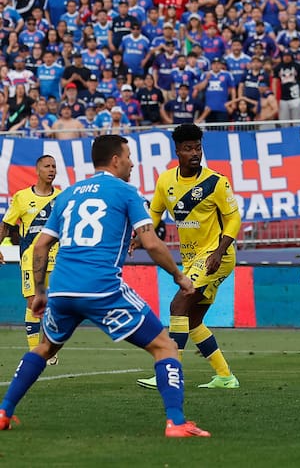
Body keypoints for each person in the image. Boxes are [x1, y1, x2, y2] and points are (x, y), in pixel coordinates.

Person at [0, 135, 210, 438]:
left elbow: (42, 245)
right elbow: (150, 242)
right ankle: (176, 423)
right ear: (115, 160)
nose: (132, 163)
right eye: (128, 156)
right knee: (165, 346)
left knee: (45, 347)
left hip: (62, 289)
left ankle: (4, 411)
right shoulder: (125, 192)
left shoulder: (68, 194)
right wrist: (179, 277)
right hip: (102, 288)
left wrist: (42, 292)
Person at [137, 124, 242, 390]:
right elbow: (154, 214)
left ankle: (171, 373)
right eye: (188, 148)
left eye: (198, 147)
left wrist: (219, 250)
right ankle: (226, 377)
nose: (195, 153)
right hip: (192, 257)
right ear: (178, 151)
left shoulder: (216, 182)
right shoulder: (165, 181)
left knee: (178, 305)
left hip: (216, 255)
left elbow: (233, 218)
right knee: (193, 320)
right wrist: (140, 236)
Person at [0, 155, 61, 364]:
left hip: (57, 258)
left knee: (55, 304)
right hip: (30, 259)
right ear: (37, 170)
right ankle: (35, 353)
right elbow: (6, 224)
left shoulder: (61, 198)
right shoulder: (22, 198)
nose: (51, 170)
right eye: (47, 166)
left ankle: (50, 344)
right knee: (33, 302)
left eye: (54, 166)